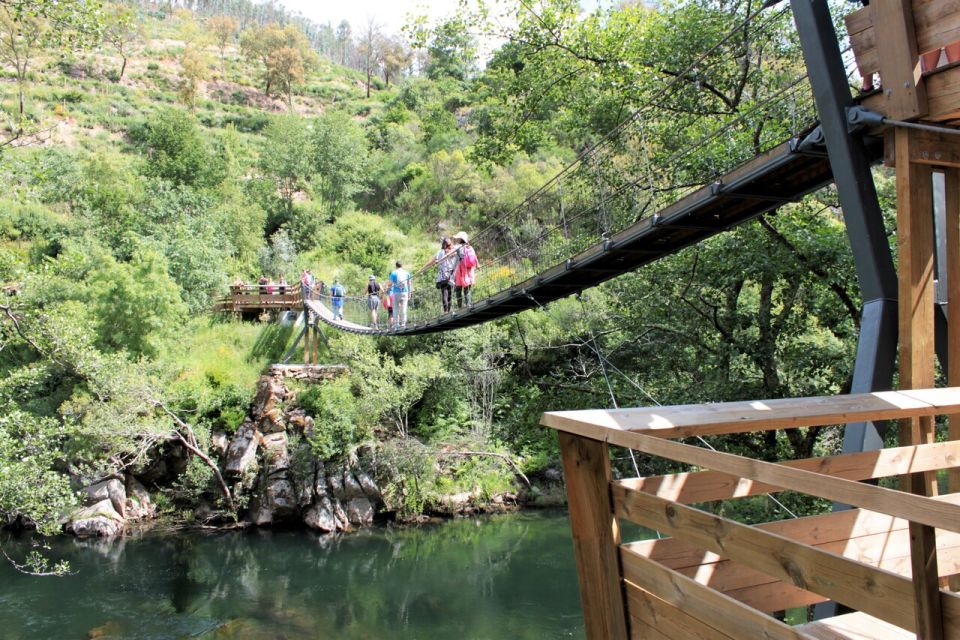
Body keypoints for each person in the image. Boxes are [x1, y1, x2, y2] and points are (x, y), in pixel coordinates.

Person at [423, 237, 456, 313]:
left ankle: (445, 311)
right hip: (450, 276)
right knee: (450, 294)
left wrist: (423, 268)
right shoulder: (453, 251)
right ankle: (449, 311)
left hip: (442, 276)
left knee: (444, 294)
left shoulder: (439, 252)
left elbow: (431, 262)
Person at [452, 231, 478, 309]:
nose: (456, 239)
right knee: (467, 290)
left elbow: (452, 256)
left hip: (460, 270)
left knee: (458, 290)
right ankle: (468, 305)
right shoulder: (469, 247)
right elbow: (475, 257)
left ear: (460, 239)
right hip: (469, 270)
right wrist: (477, 265)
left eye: (457, 238)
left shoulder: (457, 247)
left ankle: (460, 307)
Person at [389, 260, 411, 328]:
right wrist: (409, 292)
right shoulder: (407, 273)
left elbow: (390, 283)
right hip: (405, 292)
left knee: (395, 308)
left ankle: (396, 324)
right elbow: (409, 283)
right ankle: (403, 324)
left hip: (396, 293)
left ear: (396, 266)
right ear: (402, 265)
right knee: (404, 308)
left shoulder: (393, 273)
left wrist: (389, 287)